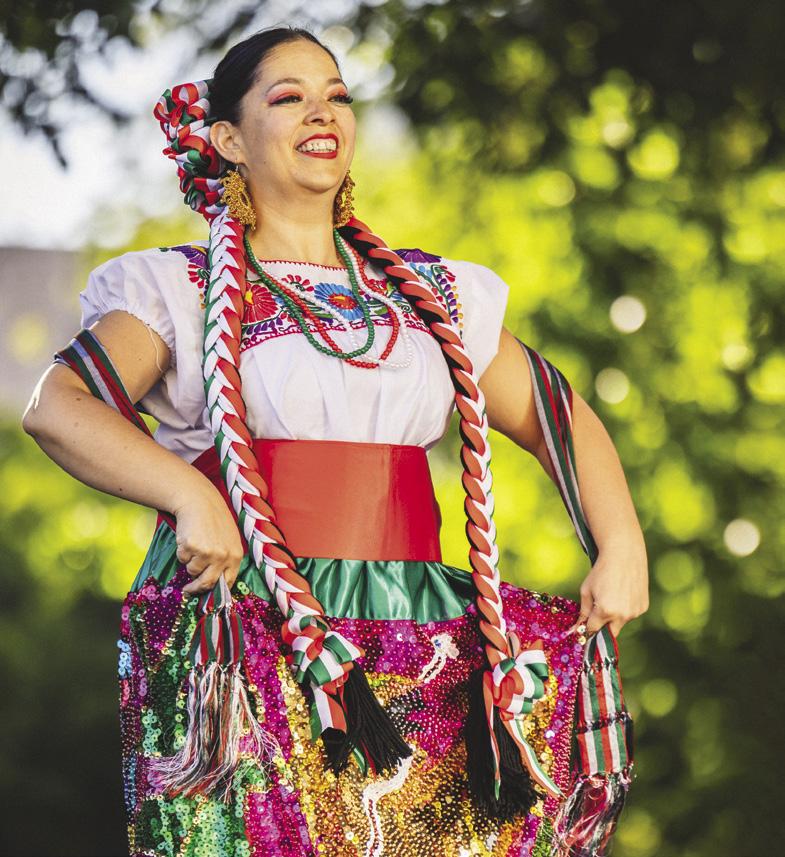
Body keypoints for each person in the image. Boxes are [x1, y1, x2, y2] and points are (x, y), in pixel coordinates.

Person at [22, 24, 648, 857]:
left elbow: (556, 413)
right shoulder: (182, 285)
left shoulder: (431, 293)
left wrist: (621, 541)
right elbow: (58, 406)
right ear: (228, 139)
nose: (322, 113)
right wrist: (189, 494)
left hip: (414, 621)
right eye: (288, 98)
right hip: (252, 617)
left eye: (337, 96)